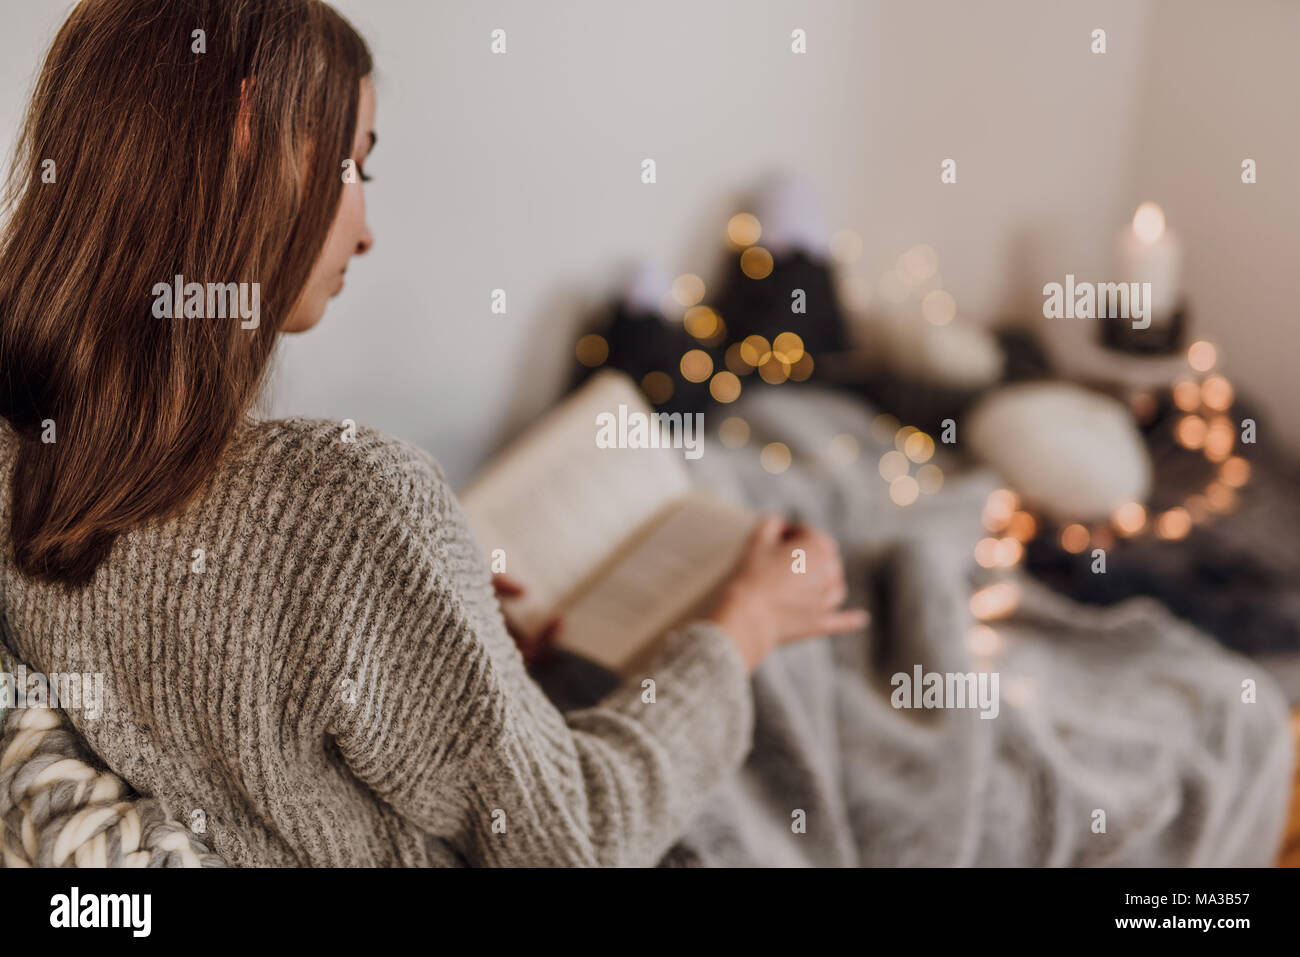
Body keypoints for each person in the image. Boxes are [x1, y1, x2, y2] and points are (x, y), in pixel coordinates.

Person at [0, 0, 866, 866]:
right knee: (773, 491)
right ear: (249, 133)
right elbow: (578, 841)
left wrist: (441, 659)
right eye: (354, 165)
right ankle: (782, 333)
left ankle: (701, 351)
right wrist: (744, 627)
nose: (365, 230)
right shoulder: (345, 500)